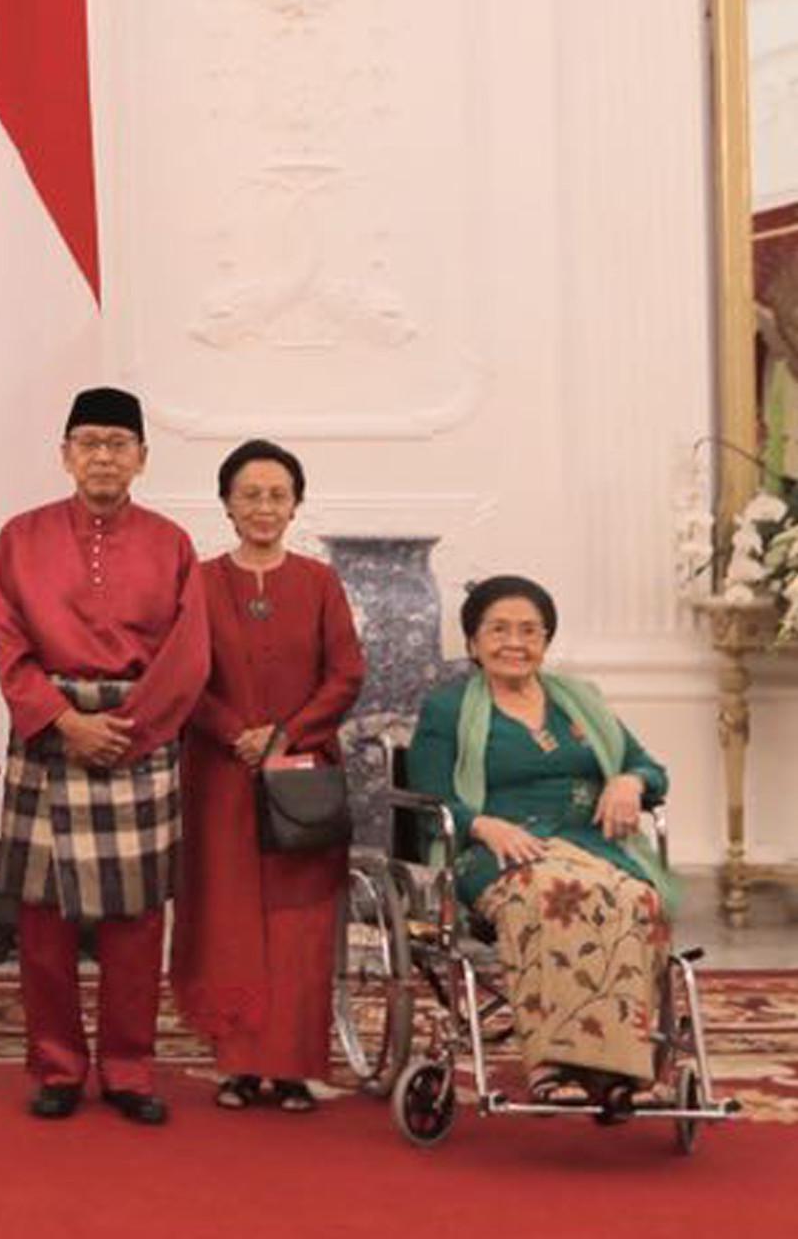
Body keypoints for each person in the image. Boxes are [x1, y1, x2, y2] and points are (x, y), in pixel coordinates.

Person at [0, 385, 209, 1126]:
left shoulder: (173, 544)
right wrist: (61, 722)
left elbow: (189, 654)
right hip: (52, 740)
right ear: (65, 455)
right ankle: (55, 1066)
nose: (103, 456)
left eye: (118, 443)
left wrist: (129, 729)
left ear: (142, 458)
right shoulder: (19, 538)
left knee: (136, 921)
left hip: (136, 737)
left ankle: (129, 1068)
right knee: (42, 919)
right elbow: (7, 645)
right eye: (89, 442)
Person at [411, 575, 676, 1116]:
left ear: (546, 640)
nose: (515, 642)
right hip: (497, 851)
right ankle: (555, 1063)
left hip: (594, 845)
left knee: (634, 901)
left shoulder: (580, 702)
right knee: (556, 896)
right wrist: (481, 824)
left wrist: (630, 782)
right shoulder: (447, 709)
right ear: (473, 643)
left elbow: (648, 766)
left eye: (530, 631)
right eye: (499, 630)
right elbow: (428, 798)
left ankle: (619, 1066)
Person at [172, 438, 366, 1115]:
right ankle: (236, 1064)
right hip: (220, 775)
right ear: (226, 504)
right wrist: (235, 733)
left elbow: (346, 673)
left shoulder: (319, 582)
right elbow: (184, 678)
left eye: (277, 495)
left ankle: (292, 1066)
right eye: (249, 494)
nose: (263, 506)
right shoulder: (195, 581)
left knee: (299, 924)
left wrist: (286, 734)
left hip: (301, 776)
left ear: (296, 504)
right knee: (225, 917)